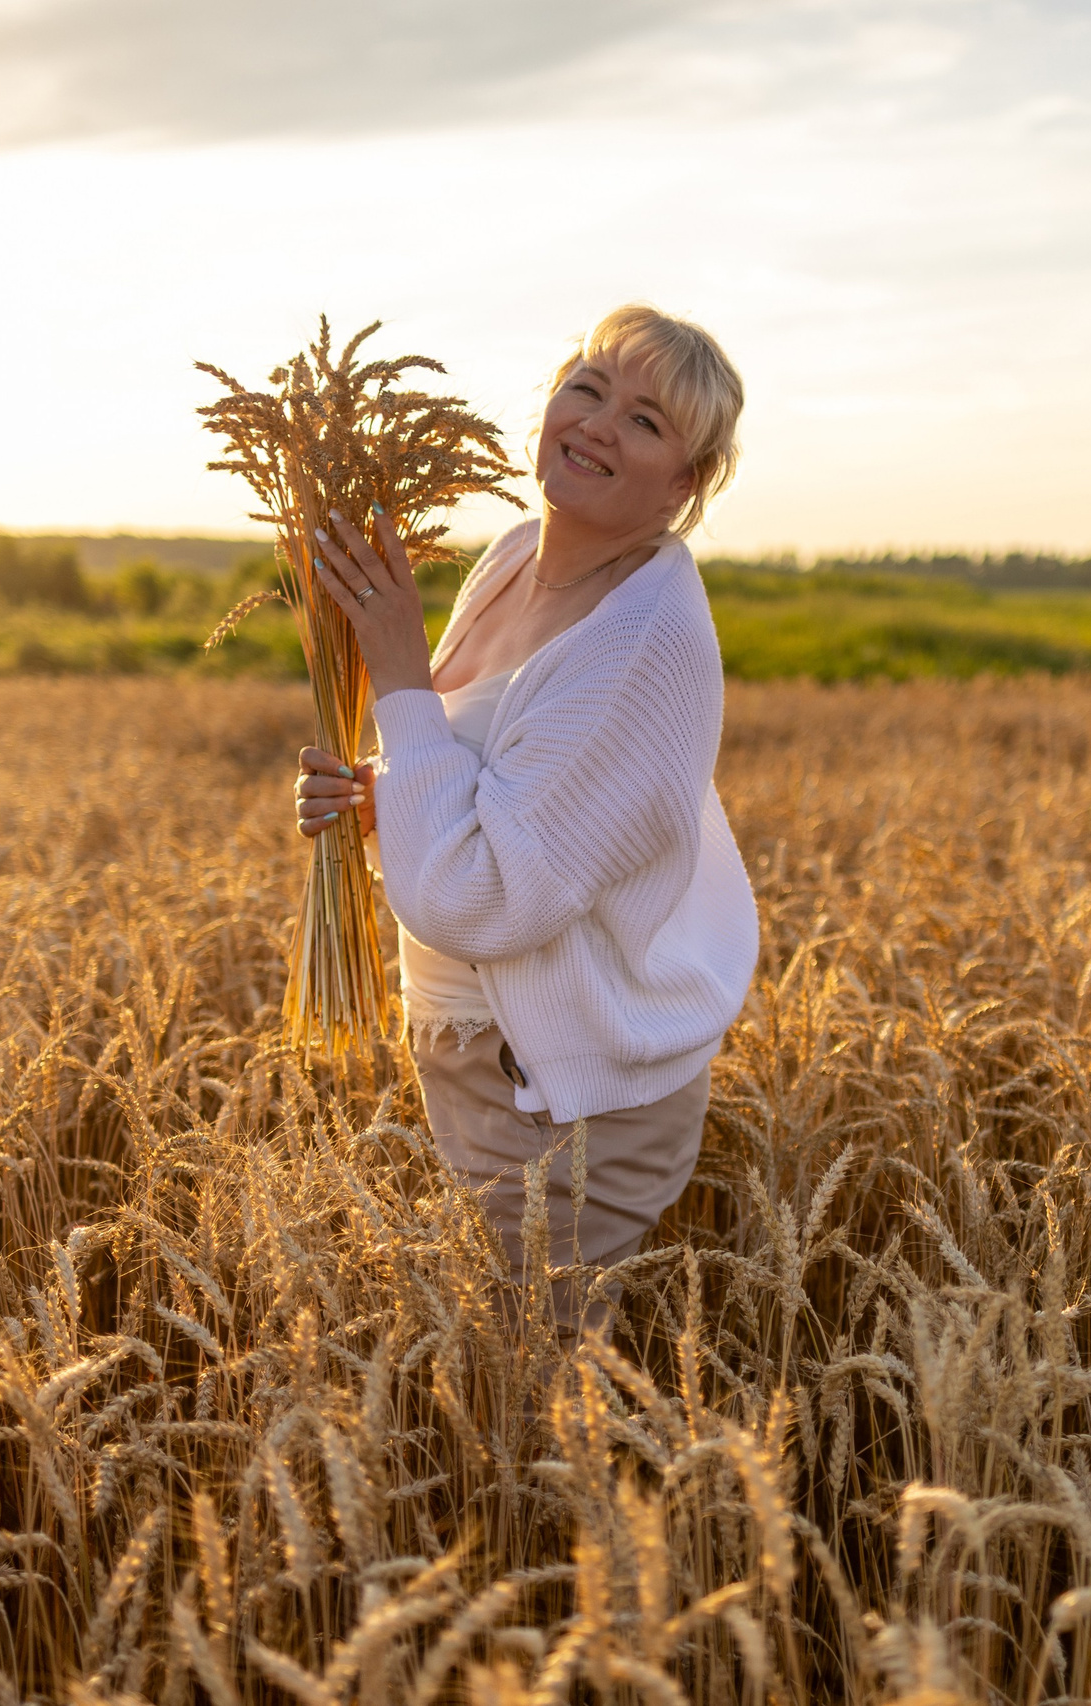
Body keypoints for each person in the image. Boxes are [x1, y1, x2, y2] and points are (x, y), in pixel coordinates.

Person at [293, 304, 759, 1331]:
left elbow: (485, 895)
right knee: (488, 1403)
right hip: (472, 1058)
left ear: (685, 484)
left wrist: (399, 670)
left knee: (525, 1417)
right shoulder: (511, 556)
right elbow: (483, 787)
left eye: (645, 422)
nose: (596, 422)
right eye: (587, 387)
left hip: (566, 1100)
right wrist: (377, 796)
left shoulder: (643, 637)